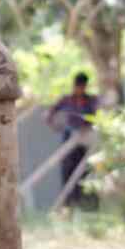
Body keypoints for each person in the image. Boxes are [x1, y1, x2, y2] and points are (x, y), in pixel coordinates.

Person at [46, 72, 100, 208]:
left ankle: (88, 205)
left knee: (87, 171)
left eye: (82, 86)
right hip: (70, 138)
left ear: (85, 86)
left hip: (86, 140)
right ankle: (69, 204)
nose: (80, 89)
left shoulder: (91, 100)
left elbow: (99, 114)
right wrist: (54, 125)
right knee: (68, 170)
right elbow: (49, 113)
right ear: (74, 85)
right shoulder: (66, 100)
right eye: (78, 86)